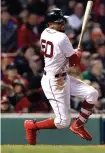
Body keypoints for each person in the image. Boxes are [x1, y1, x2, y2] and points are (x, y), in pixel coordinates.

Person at [24, 8, 99, 145]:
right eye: (59, 22)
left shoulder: (45, 33)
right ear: (50, 24)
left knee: (92, 94)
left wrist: (75, 53)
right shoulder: (61, 37)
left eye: (62, 22)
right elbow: (74, 63)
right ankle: (32, 126)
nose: (62, 24)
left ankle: (78, 125)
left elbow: (66, 56)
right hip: (54, 81)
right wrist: (78, 54)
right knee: (63, 122)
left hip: (62, 77)